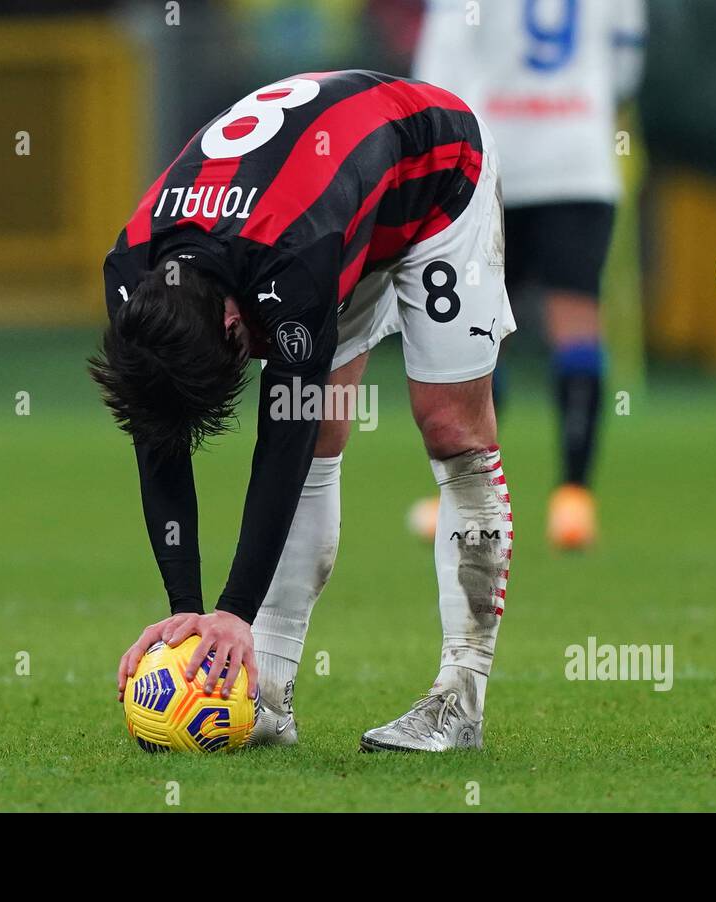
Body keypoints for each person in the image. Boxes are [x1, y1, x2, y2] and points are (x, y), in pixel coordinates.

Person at [93, 70, 515, 751]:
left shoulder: (294, 265)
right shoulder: (130, 271)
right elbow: (158, 430)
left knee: (450, 428)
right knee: (323, 431)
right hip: (328, 200)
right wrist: (186, 614)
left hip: (437, 172)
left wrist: (232, 611)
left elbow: (279, 437)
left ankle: (460, 700)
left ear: (236, 323)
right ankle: (269, 700)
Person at [414, 0, 646, 550]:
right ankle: (574, 498)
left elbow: (438, 70)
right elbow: (625, 70)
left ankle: (466, 496)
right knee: (577, 321)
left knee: (478, 328)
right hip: (580, 161)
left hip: (492, 159)